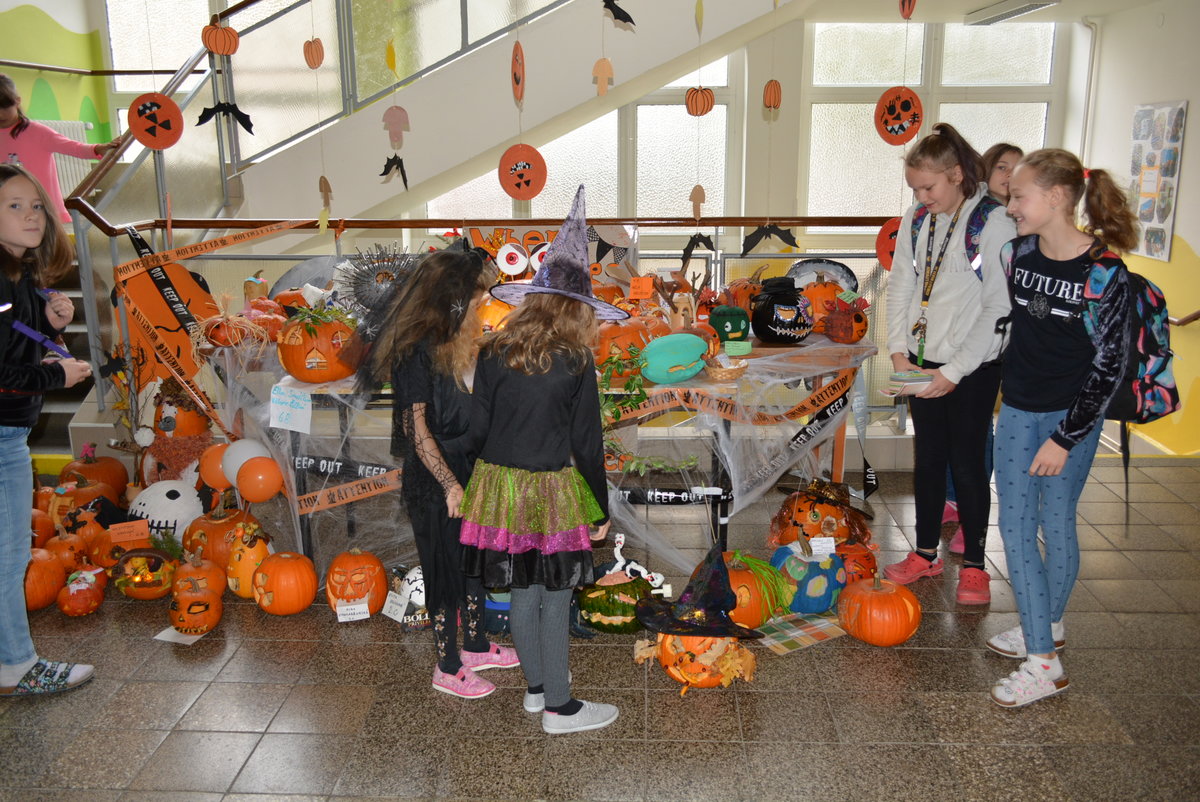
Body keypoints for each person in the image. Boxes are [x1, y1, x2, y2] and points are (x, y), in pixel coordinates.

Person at [459, 185, 625, 734]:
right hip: (551, 491)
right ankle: (560, 707)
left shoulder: (493, 351)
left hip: (499, 487)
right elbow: (587, 446)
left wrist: (473, 485)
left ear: (533, 298)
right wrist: (600, 510)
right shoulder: (575, 360)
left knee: (521, 590)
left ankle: (536, 689)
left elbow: (477, 429)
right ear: (579, 311)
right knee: (555, 596)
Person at [987, 149, 1136, 707]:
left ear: (1055, 198)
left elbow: (1110, 366)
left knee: (1055, 522)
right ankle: (1044, 629)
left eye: (1018, 197)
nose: (1011, 206)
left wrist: (1064, 437)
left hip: (1071, 420)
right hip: (1017, 411)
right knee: (1016, 528)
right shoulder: (1016, 253)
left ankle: (1044, 663)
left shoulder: (1105, 273)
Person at [363, 244, 520, 699]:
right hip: (436, 479)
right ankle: (447, 666)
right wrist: (450, 485)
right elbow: (416, 431)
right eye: (475, 297)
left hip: (469, 467)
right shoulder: (415, 351)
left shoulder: (459, 340)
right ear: (452, 300)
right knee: (444, 570)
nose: (481, 304)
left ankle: (475, 645)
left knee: (470, 561)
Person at [883, 123, 1016, 605]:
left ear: (957, 175)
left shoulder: (993, 222)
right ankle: (925, 553)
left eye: (928, 187)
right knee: (928, 458)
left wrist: (953, 372)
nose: (921, 198)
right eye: (915, 189)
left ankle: (976, 566)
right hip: (921, 359)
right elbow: (901, 283)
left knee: (967, 462)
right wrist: (897, 350)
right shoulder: (918, 218)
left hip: (973, 366)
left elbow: (998, 307)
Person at [0, 164, 94, 696]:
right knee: (10, 558)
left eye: (36, 205)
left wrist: (49, 324)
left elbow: (12, 341)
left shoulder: (16, 275)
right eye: (14, 206)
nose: (32, 215)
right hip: (1, 436)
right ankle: (16, 665)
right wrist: (56, 375)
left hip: (9, 433)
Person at [942, 142, 1026, 550]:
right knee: (948, 431)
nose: (1009, 176)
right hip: (960, 340)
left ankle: (971, 516)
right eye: (1002, 167)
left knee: (978, 435)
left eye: (1017, 169)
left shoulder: (1019, 222)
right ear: (986, 171)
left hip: (1000, 344)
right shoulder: (970, 218)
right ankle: (952, 500)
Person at [1, 74, 120, 224]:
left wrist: (98, 148)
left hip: (44, 210)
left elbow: (72, 147)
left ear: (17, 101)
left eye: (5, 107)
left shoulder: (37, 132)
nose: (0, 114)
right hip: (9, 210)